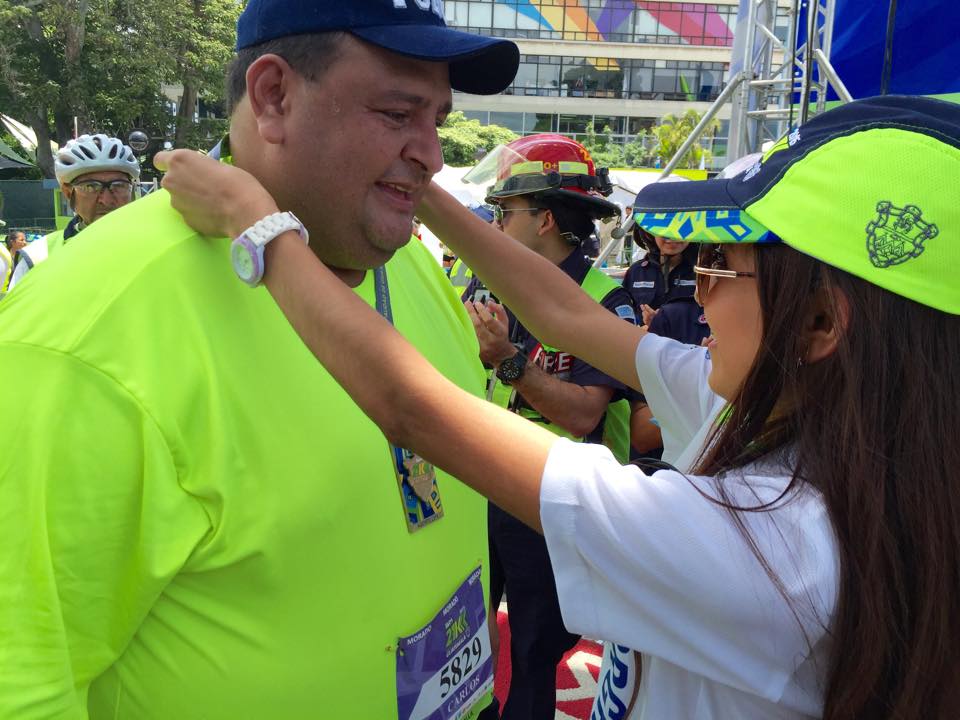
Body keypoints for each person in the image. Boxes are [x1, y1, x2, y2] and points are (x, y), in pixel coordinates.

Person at [158, 94, 960, 720]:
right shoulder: (796, 423)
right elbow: (569, 316)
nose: (699, 294)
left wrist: (257, 227)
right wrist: (417, 187)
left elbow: (414, 407)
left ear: (820, 323)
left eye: (724, 267)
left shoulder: (779, 551)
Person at [0, 1, 519, 718]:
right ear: (273, 96)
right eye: (399, 114)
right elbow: (22, 676)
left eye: (437, 118)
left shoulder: (405, 263)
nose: (432, 154)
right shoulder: (87, 334)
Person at [461, 134, 637, 720]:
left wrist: (510, 363)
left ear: (546, 220)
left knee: (535, 652)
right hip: (481, 482)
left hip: (550, 499)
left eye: (505, 212)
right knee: (465, 636)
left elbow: (586, 412)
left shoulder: (605, 301)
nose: (495, 224)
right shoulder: (493, 285)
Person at [7, 134, 140, 291]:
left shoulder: (156, 244)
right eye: (91, 187)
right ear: (68, 192)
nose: (106, 199)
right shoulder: (38, 256)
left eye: (119, 186)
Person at [1, 230, 26, 294]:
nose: (25, 243)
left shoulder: (23, 258)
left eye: (25, 240)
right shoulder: (3, 258)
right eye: (21, 240)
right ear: (12, 242)